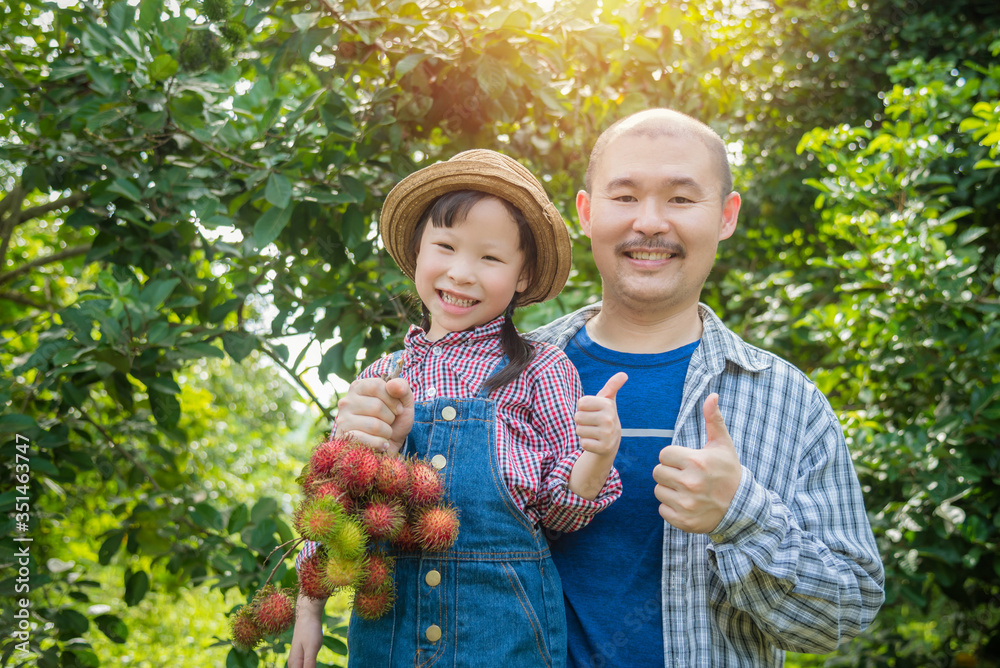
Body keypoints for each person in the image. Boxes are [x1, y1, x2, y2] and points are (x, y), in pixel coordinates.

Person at [326, 109, 885, 667]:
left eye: (681, 199)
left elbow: (845, 612)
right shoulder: (487, 376)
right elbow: (372, 544)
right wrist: (363, 443)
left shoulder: (786, 401)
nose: (649, 222)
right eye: (624, 197)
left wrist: (740, 514)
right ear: (587, 213)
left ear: (726, 216)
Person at [288, 149, 626, 668]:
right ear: (418, 255)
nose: (462, 273)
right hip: (390, 634)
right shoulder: (382, 379)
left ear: (521, 275)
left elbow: (561, 517)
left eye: (490, 258)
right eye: (444, 246)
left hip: (504, 632)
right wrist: (309, 609)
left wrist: (598, 457)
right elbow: (336, 507)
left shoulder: (541, 369)